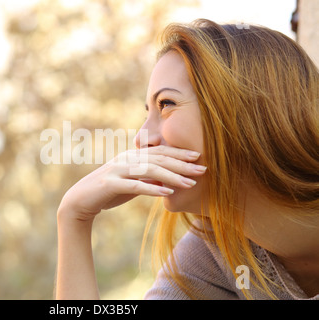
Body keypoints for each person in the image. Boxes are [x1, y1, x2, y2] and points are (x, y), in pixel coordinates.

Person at [54, 19, 319, 300]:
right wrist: (74, 218)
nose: (141, 139)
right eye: (148, 113)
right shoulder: (218, 249)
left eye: (166, 104)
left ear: (246, 111)